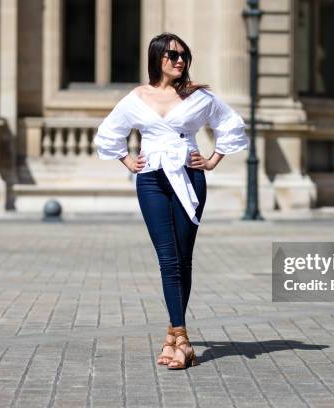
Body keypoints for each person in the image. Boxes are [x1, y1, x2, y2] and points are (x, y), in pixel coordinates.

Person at [94, 32, 248, 369]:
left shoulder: (199, 96)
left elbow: (231, 124)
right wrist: (126, 159)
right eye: (172, 55)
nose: (180, 61)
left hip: (189, 178)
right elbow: (108, 133)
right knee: (168, 259)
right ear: (157, 59)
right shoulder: (137, 97)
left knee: (183, 259)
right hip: (151, 180)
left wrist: (211, 160)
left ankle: (173, 336)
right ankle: (182, 338)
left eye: (183, 56)